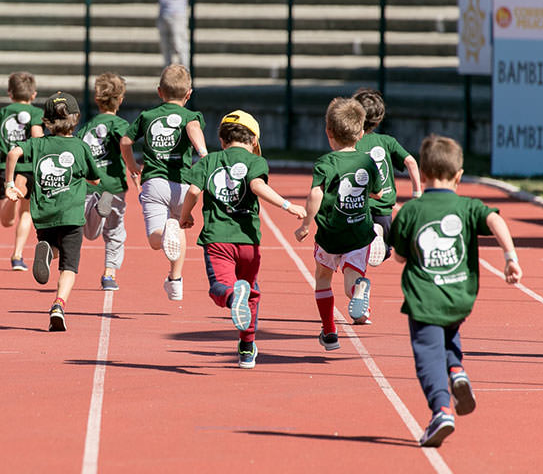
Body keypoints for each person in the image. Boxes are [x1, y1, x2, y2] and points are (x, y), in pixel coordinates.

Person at [390, 134, 522, 447]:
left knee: (427, 354)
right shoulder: (468, 206)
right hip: (459, 296)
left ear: (422, 175)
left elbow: (398, 256)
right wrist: (510, 256)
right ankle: (457, 368)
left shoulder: (411, 211)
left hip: (425, 300)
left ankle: (441, 409)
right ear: (459, 176)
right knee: (448, 333)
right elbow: (495, 219)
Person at [179, 111, 306, 369]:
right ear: (253, 141)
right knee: (251, 294)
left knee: (220, 288)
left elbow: (193, 190)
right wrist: (287, 205)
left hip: (217, 240)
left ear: (223, 140)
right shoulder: (256, 161)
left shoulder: (210, 160)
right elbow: (257, 187)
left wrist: (186, 215)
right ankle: (247, 348)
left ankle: (230, 298)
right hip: (249, 241)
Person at [4, 92, 106, 332]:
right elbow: (95, 180)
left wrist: (10, 183)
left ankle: (49, 250)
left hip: (45, 215)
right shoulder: (80, 147)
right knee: (69, 266)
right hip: (71, 216)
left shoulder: (38, 144)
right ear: (76, 118)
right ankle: (59, 304)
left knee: (53, 248)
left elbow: (13, 153)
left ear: (46, 121)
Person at [294, 98, 383, 350]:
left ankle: (330, 331)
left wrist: (305, 225)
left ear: (328, 132)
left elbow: (315, 194)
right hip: (358, 234)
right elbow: (377, 193)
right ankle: (358, 289)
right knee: (350, 283)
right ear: (360, 133)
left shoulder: (325, 163)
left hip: (330, 235)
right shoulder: (367, 162)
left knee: (322, 278)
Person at [120, 64, 207, 301]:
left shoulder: (147, 116)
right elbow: (193, 127)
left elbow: (126, 142)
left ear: (160, 92)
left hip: (154, 182)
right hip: (183, 184)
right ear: (189, 94)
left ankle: (165, 234)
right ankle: (175, 280)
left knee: (156, 239)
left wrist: (133, 168)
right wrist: (203, 152)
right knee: (178, 230)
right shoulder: (191, 116)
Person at [0, 71, 44, 271]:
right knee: (26, 212)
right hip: (28, 167)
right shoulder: (35, 113)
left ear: (10, 93)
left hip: (5, 167)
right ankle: (17, 255)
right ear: (33, 94)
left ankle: (11, 192)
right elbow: (36, 136)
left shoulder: (3, 113)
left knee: (6, 221)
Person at [353, 88, 422, 266]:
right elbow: (411, 163)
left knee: (357, 248)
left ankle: (367, 242)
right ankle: (380, 241)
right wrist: (417, 194)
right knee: (384, 251)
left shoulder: (351, 143)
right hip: (385, 205)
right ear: (379, 119)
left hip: (362, 203)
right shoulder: (387, 141)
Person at [77, 72, 129, 291]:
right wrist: (134, 168)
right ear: (121, 99)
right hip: (115, 183)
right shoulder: (120, 124)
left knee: (89, 233)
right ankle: (109, 275)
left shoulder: (85, 128)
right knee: (115, 232)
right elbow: (126, 142)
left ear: (96, 99)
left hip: (91, 184)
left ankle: (99, 211)